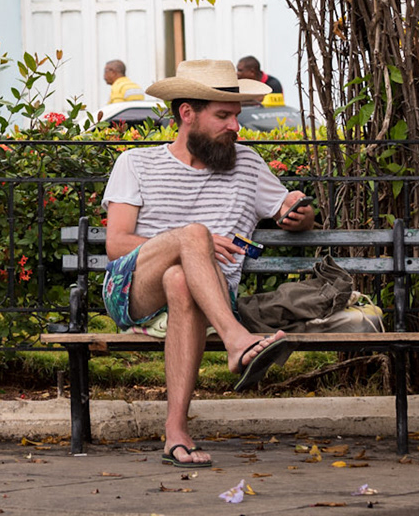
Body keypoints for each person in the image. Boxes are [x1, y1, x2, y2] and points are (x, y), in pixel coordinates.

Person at [101, 58, 317, 467]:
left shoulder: (247, 164)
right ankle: (237, 341)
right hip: (134, 287)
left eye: (236, 115)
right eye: (223, 116)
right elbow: (117, 244)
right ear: (187, 113)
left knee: (181, 280)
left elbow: (291, 210)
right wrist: (190, 242)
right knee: (194, 235)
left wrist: (299, 214)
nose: (236, 126)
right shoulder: (136, 163)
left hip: (208, 295)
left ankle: (176, 433)